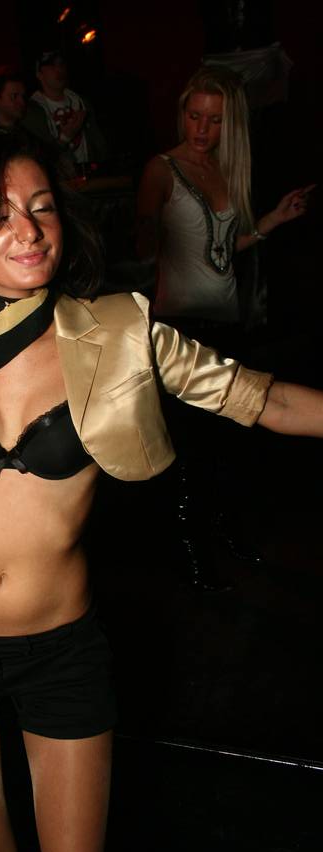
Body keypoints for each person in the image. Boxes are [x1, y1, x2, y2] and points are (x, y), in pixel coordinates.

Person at [0, 128, 323, 852]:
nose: (29, 230)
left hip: (60, 653)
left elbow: (267, 401)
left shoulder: (119, 336)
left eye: (41, 208)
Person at [135, 64, 315, 589]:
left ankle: (224, 531)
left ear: (229, 124)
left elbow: (222, 249)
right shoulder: (161, 170)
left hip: (226, 319)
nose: (202, 128)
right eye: (195, 116)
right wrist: (146, 237)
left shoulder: (226, 169)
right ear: (183, 114)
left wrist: (273, 221)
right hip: (180, 325)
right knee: (190, 447)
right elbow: (142, 245)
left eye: (214, 120)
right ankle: (190, 552)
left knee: (230, 440)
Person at [22, 50, 109, 174]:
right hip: (58, 179)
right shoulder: (30, 111)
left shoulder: (81, 102)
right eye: (52, 66)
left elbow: (98, 142)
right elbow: (39, 155)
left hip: (89, 174)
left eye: (61, 64)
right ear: (39, 74)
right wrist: (65, 137)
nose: (59, 69)